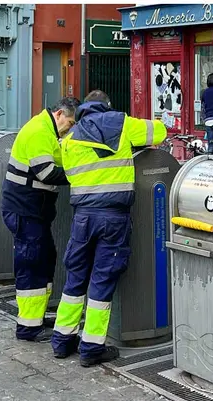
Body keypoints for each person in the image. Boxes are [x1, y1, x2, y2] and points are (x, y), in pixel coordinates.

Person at [50, 90, 167, 366]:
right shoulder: (123, 124)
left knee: (75, 277)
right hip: (113, 217)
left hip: (83, 217)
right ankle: (91, 348)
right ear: (107, 106)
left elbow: (67, 169)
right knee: (102, 279)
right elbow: (159, 132)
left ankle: (62, 341)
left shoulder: (70, 139)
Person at [0, 97, 80, 342]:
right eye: (69, 121)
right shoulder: (38, 132)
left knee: (45, 259)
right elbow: (46, 173)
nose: (70, 127)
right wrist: (80, 174)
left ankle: (37, 316)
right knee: (32, 263)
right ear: (58, 114)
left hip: (34, 212)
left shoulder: (46, 130)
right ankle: (28, 327)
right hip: (25, 211)